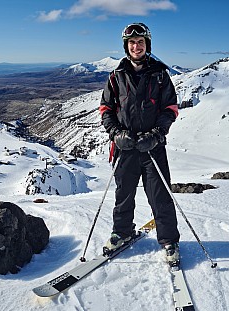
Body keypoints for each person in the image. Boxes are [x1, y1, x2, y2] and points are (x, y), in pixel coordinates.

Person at [99, 22, 180, 265]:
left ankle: (169, 241)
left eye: (141, 42)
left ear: (147, 45)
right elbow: (106, 109)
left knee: (160, 195)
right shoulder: (116, 76)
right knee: (123, 193)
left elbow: (170, 109)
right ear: (126, 46)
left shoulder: (160, 75)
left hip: (152, 146)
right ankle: (122, 233)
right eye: (132, 43)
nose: (136, 46)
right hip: (125, 147)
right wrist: (116, 134)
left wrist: (156, 134)